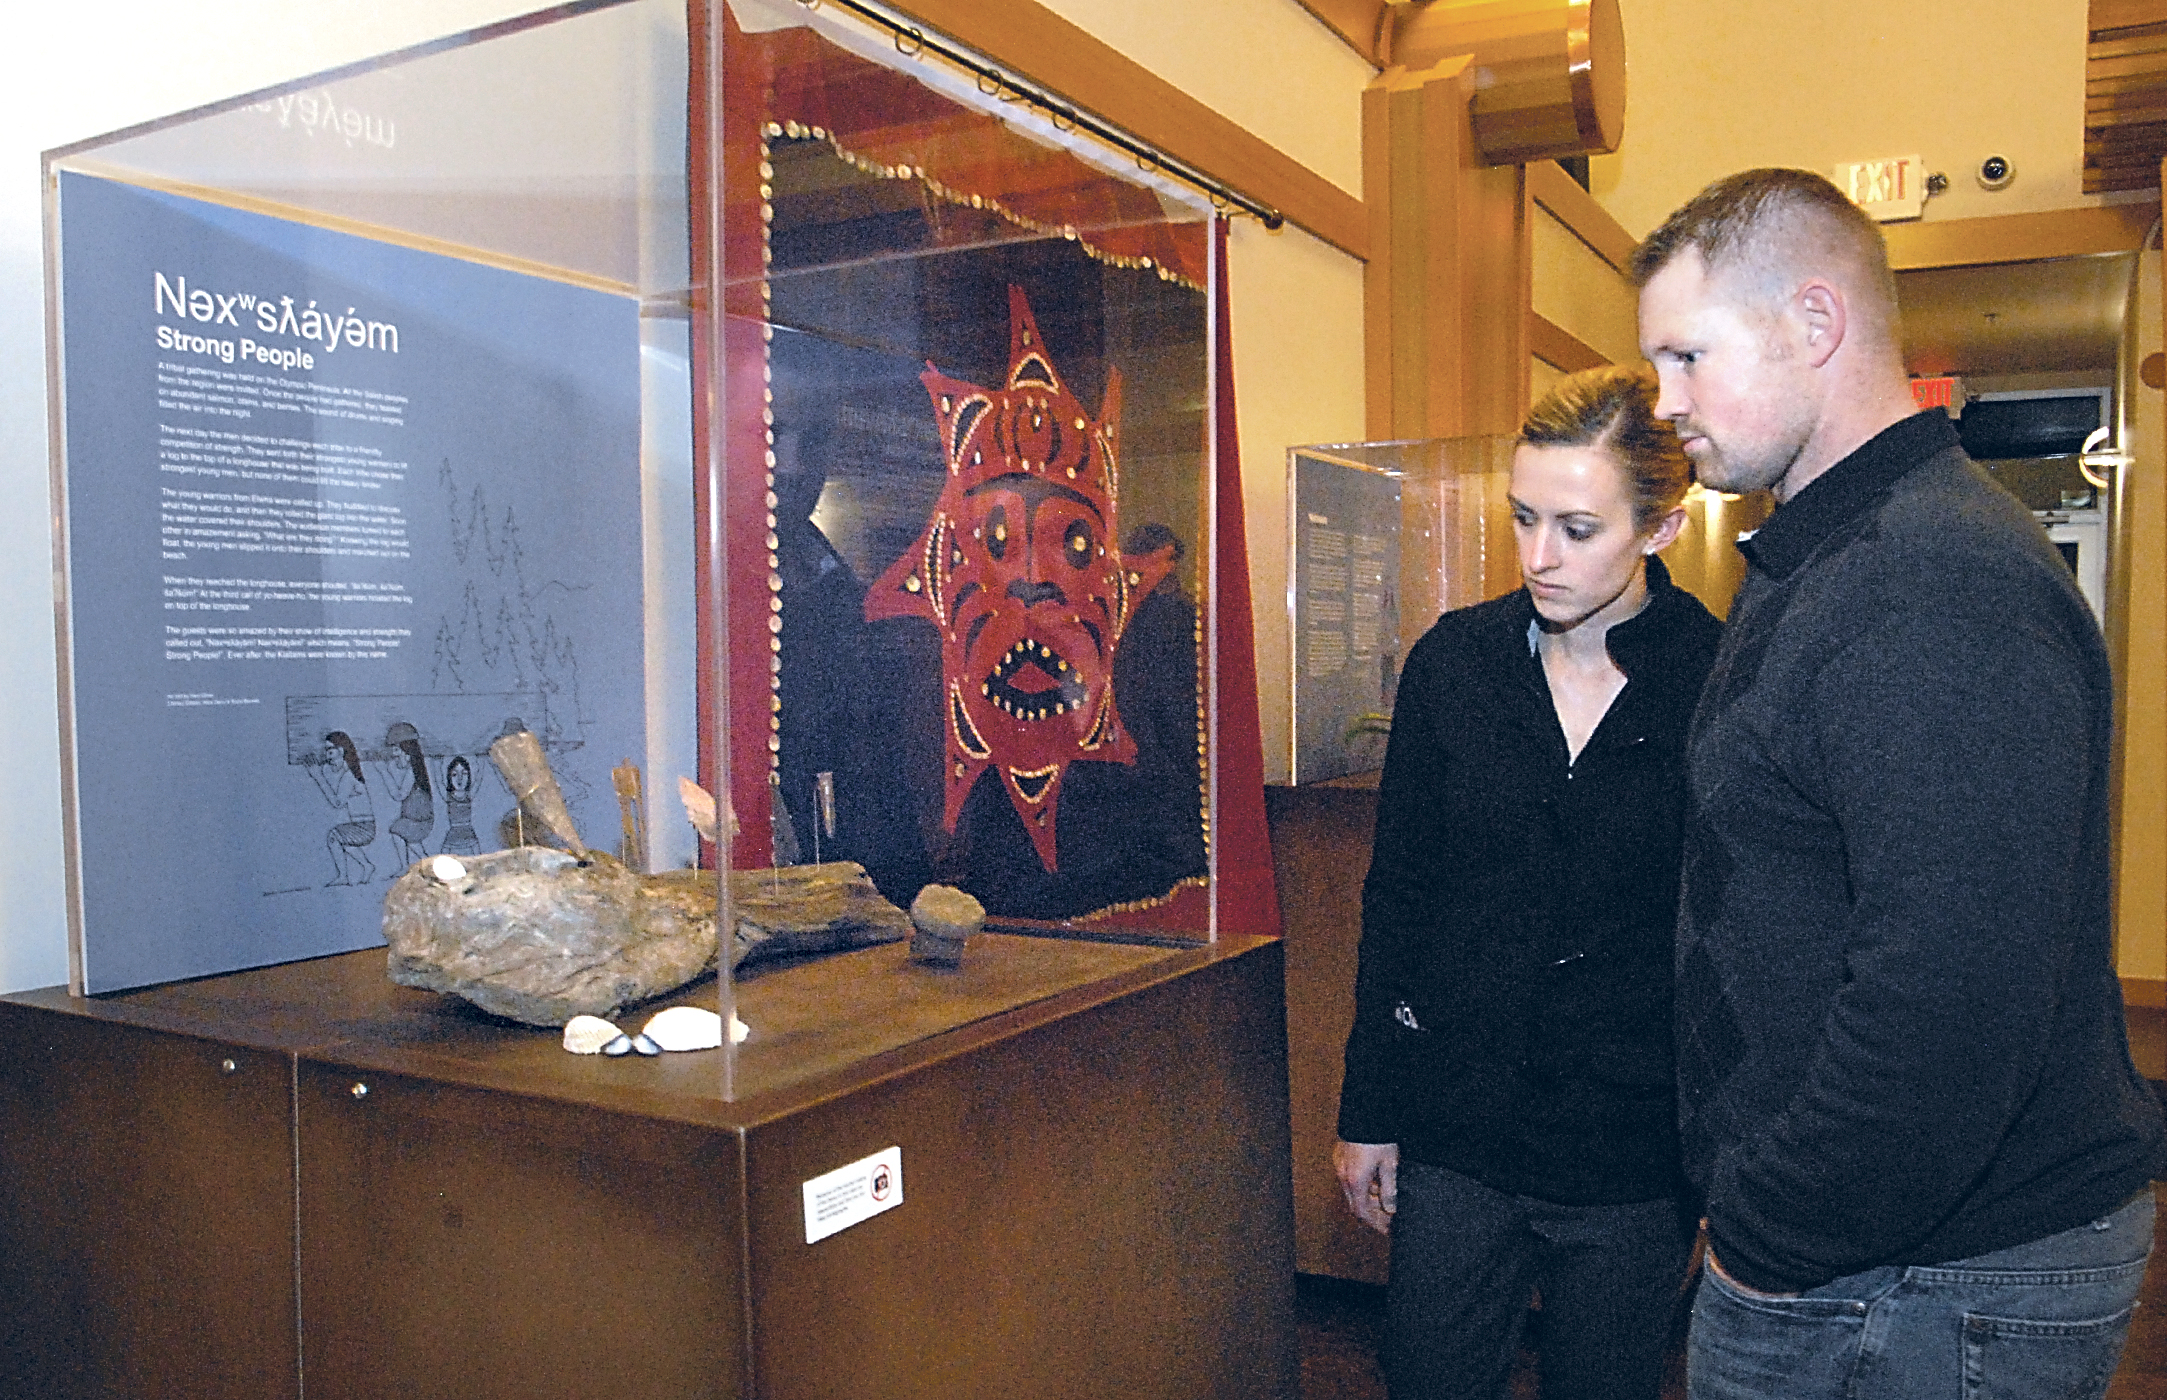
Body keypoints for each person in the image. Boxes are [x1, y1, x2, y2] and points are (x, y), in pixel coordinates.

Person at [1632, 168, 2167, 1400]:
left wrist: (1774, 1225)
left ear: (1814, 324)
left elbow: (1950, 994)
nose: (1667, 404)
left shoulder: (1928, 581)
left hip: (1927, 1276)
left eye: (1686, 356)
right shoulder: (1833, 551)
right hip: (1871, 1252)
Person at [1335, 365, 1722, 1400]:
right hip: (1460, 1129)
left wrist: (1724, 1166)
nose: (1538, 556)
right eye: (1521, 517)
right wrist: (1367, 1106)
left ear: (1660, 529)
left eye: (1577, 527)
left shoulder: (1718, 677)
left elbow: (1737, 939)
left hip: (1633, 1148)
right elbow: (1398, 894)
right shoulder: (1453, 663)